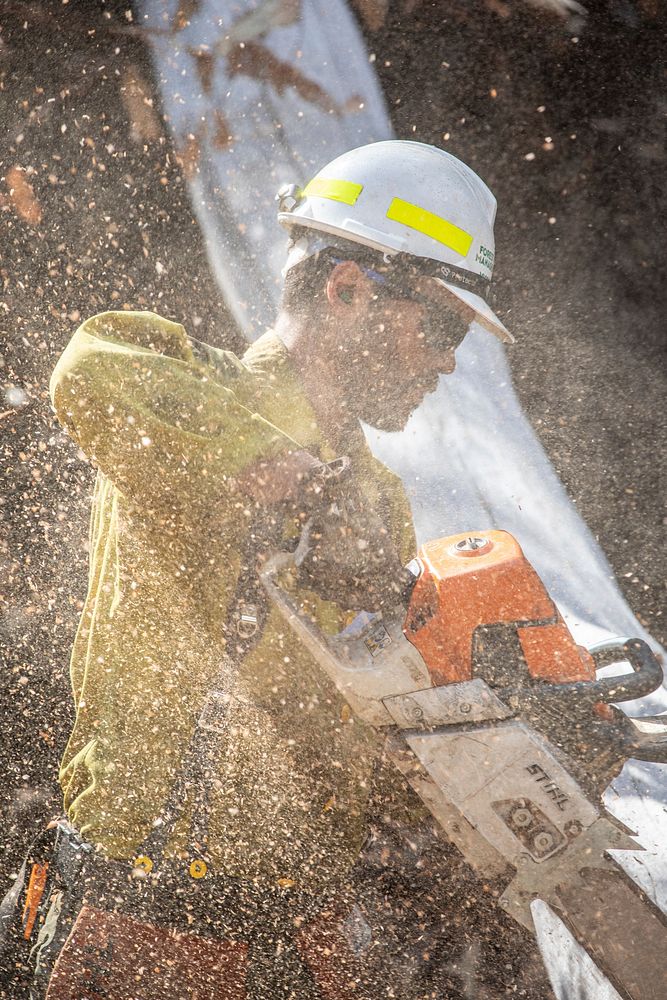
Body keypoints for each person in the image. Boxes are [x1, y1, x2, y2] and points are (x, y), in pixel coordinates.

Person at [6, 141, 541, 999]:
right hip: (149, 911)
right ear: (345, 288)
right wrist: (276, 469)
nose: (447, 360)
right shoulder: (195, 397)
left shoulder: (376, 498)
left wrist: (490, 736)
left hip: (300, 934)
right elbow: (90, 369)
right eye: (437, 326)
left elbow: (361, 741)